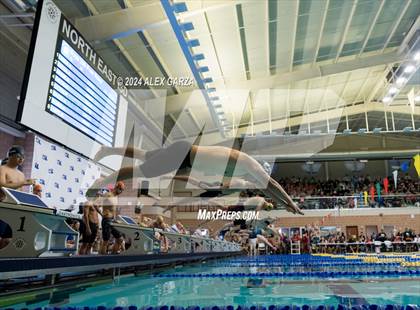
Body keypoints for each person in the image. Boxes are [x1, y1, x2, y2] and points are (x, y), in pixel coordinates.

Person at [90, 142, 303, 215]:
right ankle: (101, 183)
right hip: (183, 156)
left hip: (184, 156)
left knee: (145, 155)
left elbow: (266, 189)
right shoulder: (250, 165)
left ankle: (109, 150)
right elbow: (271, 185)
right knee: (141, 171)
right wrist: (291, 202)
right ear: (262, 171)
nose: (261, 183)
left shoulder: (247, 173)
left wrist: (284, 205)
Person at [97, 181, 126, 255]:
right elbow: (96, 205)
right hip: (106, 220)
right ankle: (101, 261)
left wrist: (115, 220)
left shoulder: (116, 197)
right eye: (120, 189)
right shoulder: (108, 195)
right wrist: (102, 214)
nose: (121, 192)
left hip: (112, 221)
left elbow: (114, 210)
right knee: (105, 242)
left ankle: (112, 256)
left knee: (120, 239)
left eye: (122, 190)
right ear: (116, 187)